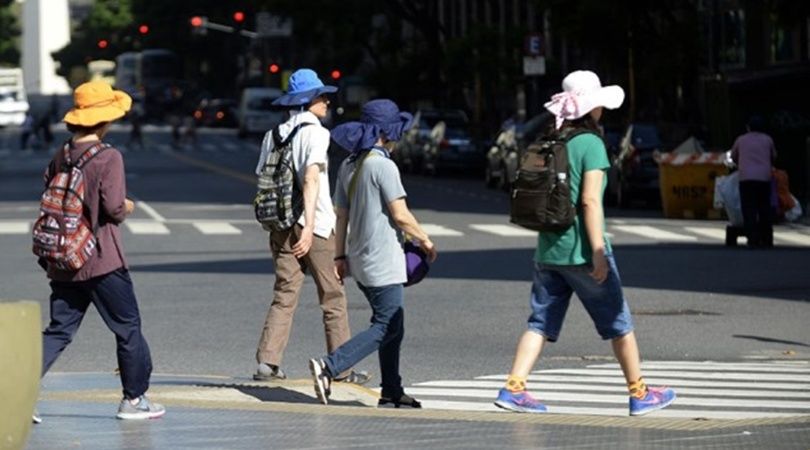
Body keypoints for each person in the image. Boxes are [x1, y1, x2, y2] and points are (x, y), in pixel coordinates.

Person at [493, 70, 675, 416]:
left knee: (540, 323)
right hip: (580, 251)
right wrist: (598, 252)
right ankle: (640, 393)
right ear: (592, 108)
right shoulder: (590, 144)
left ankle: (514, 387)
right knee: (619, 323)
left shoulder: (551, 139)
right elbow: (590, 202)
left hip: (548, 250)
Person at [37, 81, 165, 421]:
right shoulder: (108, 157)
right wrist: (128, 206)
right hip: (101, 259)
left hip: (64, 259)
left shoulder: (62, 153)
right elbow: (113, 208)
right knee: (128, 327)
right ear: (105, 120)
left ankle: (14, 391)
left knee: (59, 330)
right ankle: (134, 400)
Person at [308, 99, 437, 407]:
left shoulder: (349, 165)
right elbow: (401, 214)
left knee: (394, 325)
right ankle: (330, 366)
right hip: (383, 261)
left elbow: (341, 215)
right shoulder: (384, 166)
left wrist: (339, 258)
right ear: (386, 132)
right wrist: (425, 240)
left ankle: (392, 389)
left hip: (358, 259)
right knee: (386, 325)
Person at [252, 69, 368, 384]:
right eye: (321, 96)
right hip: (312, 228)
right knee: (332, 296)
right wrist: (309, 227)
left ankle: (268, 362)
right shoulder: (316, 133)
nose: (327, 101)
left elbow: (264, 179)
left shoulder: (272, 135)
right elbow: (312, 178)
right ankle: (341, 367)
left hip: (279, 224)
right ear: (307, 101)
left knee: (284, 292)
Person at [731, 116, 776, 248]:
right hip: (764, 178)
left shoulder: (741, 140)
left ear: (748, 127)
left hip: (746, 178)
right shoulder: (768, 139)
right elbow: (773, 156)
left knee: (749, 207)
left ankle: (752, 237)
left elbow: (734, 156)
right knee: (764, 207)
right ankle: (766, 238)